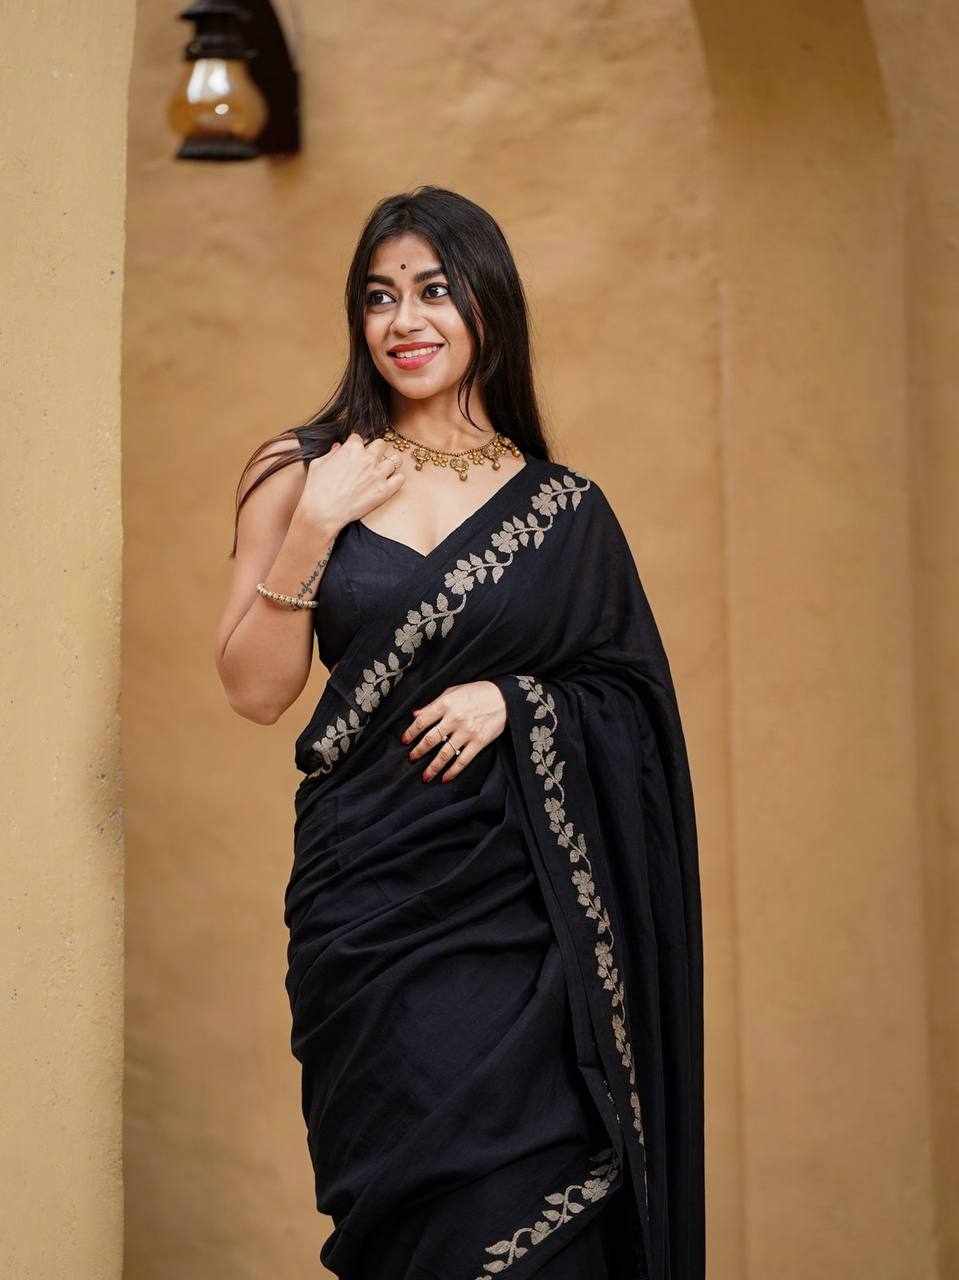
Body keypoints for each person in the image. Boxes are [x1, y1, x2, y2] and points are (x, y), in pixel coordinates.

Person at [214, 186, 705, 1280]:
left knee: (545, 1210)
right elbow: (253, 689)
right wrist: (314, 524)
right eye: (378, 296)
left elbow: (633, 704)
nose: (405, 320)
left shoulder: (564, 511)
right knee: (416, 1216)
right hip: (372, 912)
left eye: (434, 290)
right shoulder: (301, 469)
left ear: (488, 303)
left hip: (529, 922)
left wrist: (520, 703)